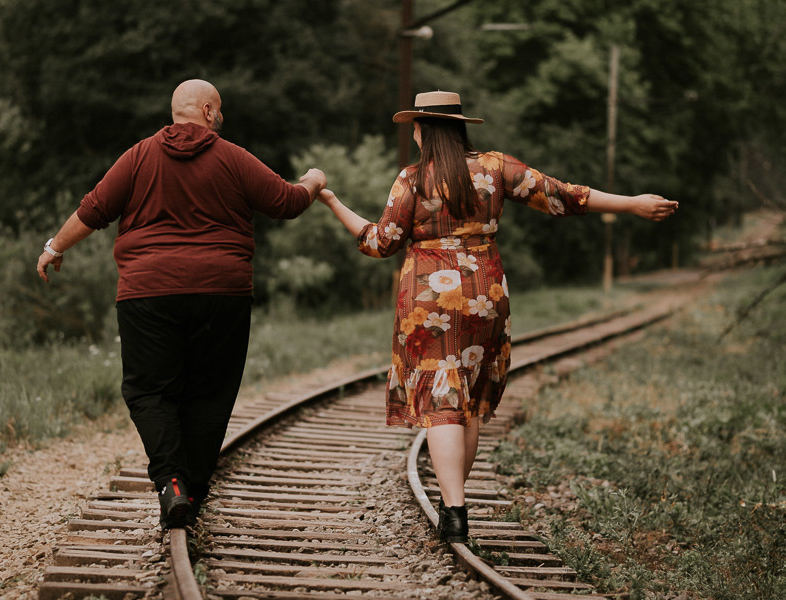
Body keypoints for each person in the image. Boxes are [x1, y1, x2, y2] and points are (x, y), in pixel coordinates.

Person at [317, 90, 677, 543]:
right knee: (465, 399)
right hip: (485, 294)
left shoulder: (412, 178)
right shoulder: (495, 167)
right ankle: (455, 502)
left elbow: (380, 242)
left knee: (441, 398)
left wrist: (332, 203)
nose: (412, 132)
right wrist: (632, 204)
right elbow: (562, 195)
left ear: (425, 129)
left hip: (428, 298)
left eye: (415, 125)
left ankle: (454, 512)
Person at [36, 79, 327, 529]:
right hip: (222, 293)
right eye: (221, 110)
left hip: (147, 293)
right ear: (209, 112)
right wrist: (313, 181)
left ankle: (172, 483)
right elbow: (286, 202)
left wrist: (55, 247)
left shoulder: (138, 156)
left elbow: (94, 209)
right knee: (210, 391)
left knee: (149, 390)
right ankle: (194, 486)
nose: (222, 117)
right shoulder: (232, 157)